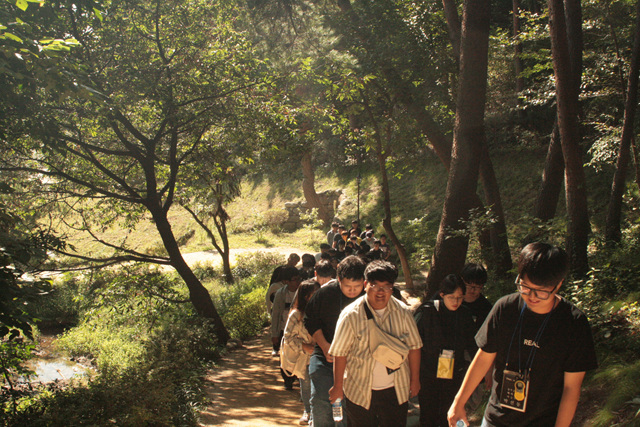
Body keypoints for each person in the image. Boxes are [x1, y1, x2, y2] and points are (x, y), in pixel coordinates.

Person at [447, 242, 598, 427]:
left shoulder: (574, 324)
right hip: (496, 418)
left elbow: (571, 388)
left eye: (542, 291)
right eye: (525, 287)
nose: (532, 296)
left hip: (543, 421)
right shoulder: (505, 308)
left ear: (558, 284)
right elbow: (484, 358)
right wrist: (458, 401)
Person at [329, 261, 422, 426]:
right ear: (365, 285)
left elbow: (414, 347)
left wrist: (414, 380)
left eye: (386, 287)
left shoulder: (403, 313)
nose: (381, 292)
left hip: (396, 389)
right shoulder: (351, 315)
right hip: (359, 390)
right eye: (375, 286)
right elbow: (340, 352)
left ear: (392, 288)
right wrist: (338, 386)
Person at [304, 255, 366, 427]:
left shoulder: (370, 297)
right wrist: (324, 345)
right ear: (338, 280)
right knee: (321, 399)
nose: (353, 291)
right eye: (347, 286)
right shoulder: (324, 294)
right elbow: (310, 320)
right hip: (326, 356)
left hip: (358, 361)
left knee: (352, 404)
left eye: (357, 286)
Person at [415, 274, 477, 427]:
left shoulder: (465, 314)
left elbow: (473, 345)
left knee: (450, 414)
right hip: (428, 375)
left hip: (454, 374)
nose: (456, 302)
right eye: (452, 297)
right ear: (442, 294)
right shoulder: (427, 312)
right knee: (429, 415)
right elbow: (413, 344)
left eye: (460, 297)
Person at [281, 279, 321, 426]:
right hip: (304, 358)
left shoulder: (323, 311)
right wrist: (304, 346)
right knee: (306, 385)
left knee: (319, 386)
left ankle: (316, 414)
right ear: (305, 296)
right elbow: (288, 337)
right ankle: (308, 411)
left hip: (321, 356)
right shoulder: (296, 315)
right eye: (314, 294)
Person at [271, 267, 303, 379]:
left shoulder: (303, 291)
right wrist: (274, 334)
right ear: (286, 282)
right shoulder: (281, 294)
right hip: (283, 329)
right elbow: (275, 314)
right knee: (285, 355)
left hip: (299, 330)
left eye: (299, 279)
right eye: (295, 280)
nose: (298, 282)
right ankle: (287, 379)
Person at [460, 263, 492, 331]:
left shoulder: (486, 307)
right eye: (469, 285)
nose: (473, 290)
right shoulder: (451, 299)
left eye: (477, 286)